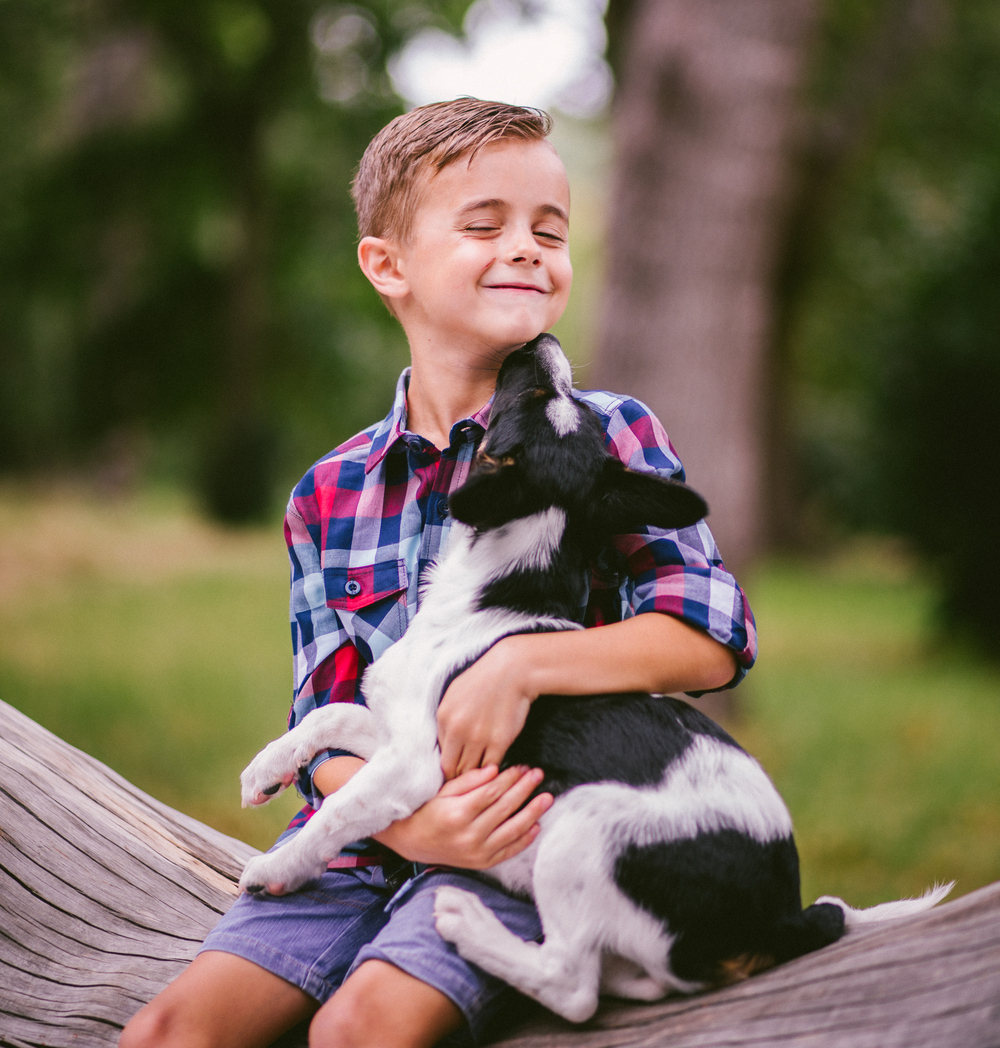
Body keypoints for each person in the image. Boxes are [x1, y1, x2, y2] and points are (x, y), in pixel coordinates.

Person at [120, 97, 756, 1048]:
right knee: (171, 1033)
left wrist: (519, 669)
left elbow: (709, 637)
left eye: (551, 230)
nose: (529, 249)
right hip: (366, 843)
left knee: (363, 1030)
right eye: (485, 225)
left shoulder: (607, 435)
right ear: (388, 266)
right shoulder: (329, 491)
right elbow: (320, 712)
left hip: (520, 842)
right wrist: (409, 830)